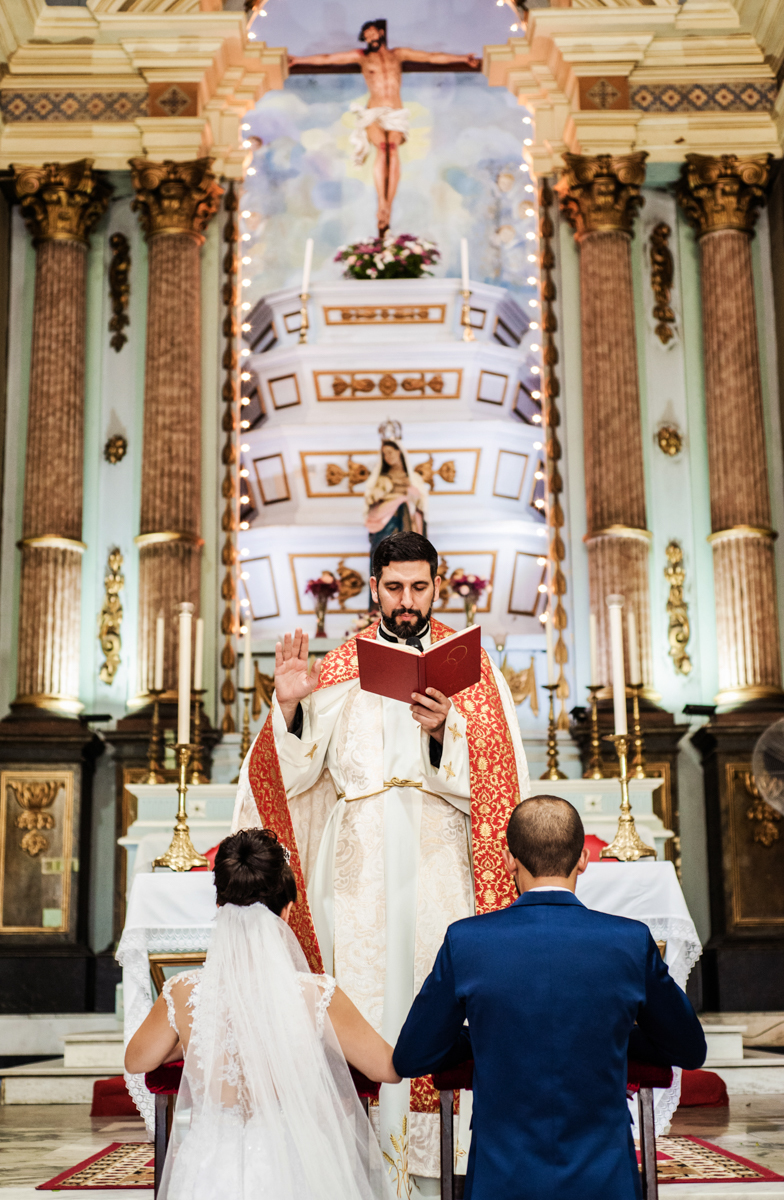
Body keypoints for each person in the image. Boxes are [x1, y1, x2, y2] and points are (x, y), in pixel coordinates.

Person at [231, 530, 528, 1194]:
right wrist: (290, 708)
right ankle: (363, 1162)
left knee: (434, 987)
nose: (406, 601)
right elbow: (296, 773)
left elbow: (499, 778)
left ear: (438, 584)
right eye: (393, 588)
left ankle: (439, 1155)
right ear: (374, 587)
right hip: (358, 866)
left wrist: (444, 732)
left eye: (419, 587)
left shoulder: (473, 671)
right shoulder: (339, 665)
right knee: (362, 994)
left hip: (438, 858)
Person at [393, 795, 707, 1200]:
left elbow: (412, 1056)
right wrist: (613, 1035)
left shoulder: (467, 940)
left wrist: (481, 1037)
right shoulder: (629, 941)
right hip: (603, 1176)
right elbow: (689, 1048)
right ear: (583, 860)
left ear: (510, 860)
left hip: (501, 1176)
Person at [125, 828, 398, 1200]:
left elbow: (138, 1058)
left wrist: (195, 1039)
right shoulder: (316, 994)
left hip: (208, 1169)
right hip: (293, 1161)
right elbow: (386, 1068)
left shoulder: (183, 991)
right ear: (287, 911)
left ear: (219, 907)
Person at [288, 20, 478, 233]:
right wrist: (297, 60)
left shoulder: (398, 54)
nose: (369, 38)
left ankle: (388, 203)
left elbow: (430, 57)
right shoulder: (361, 57)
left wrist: (462, 58)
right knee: (382, 149)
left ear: (380, 33)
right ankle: (382, 204)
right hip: (374, 112)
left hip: (395, 112)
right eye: (366, 36)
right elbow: (328, 59)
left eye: (372, 33)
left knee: (393, 149)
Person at [363, 430, 429, 600]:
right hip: (386, 523)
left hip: (408, 522)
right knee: (384, 557)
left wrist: (409, 499)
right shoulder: (380, 479)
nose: (388, 457)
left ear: (400, 452)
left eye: (390, 452)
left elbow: (422, 504)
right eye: (384, 454)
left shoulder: (413, 479)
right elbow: (371, 500)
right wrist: (385, 496)